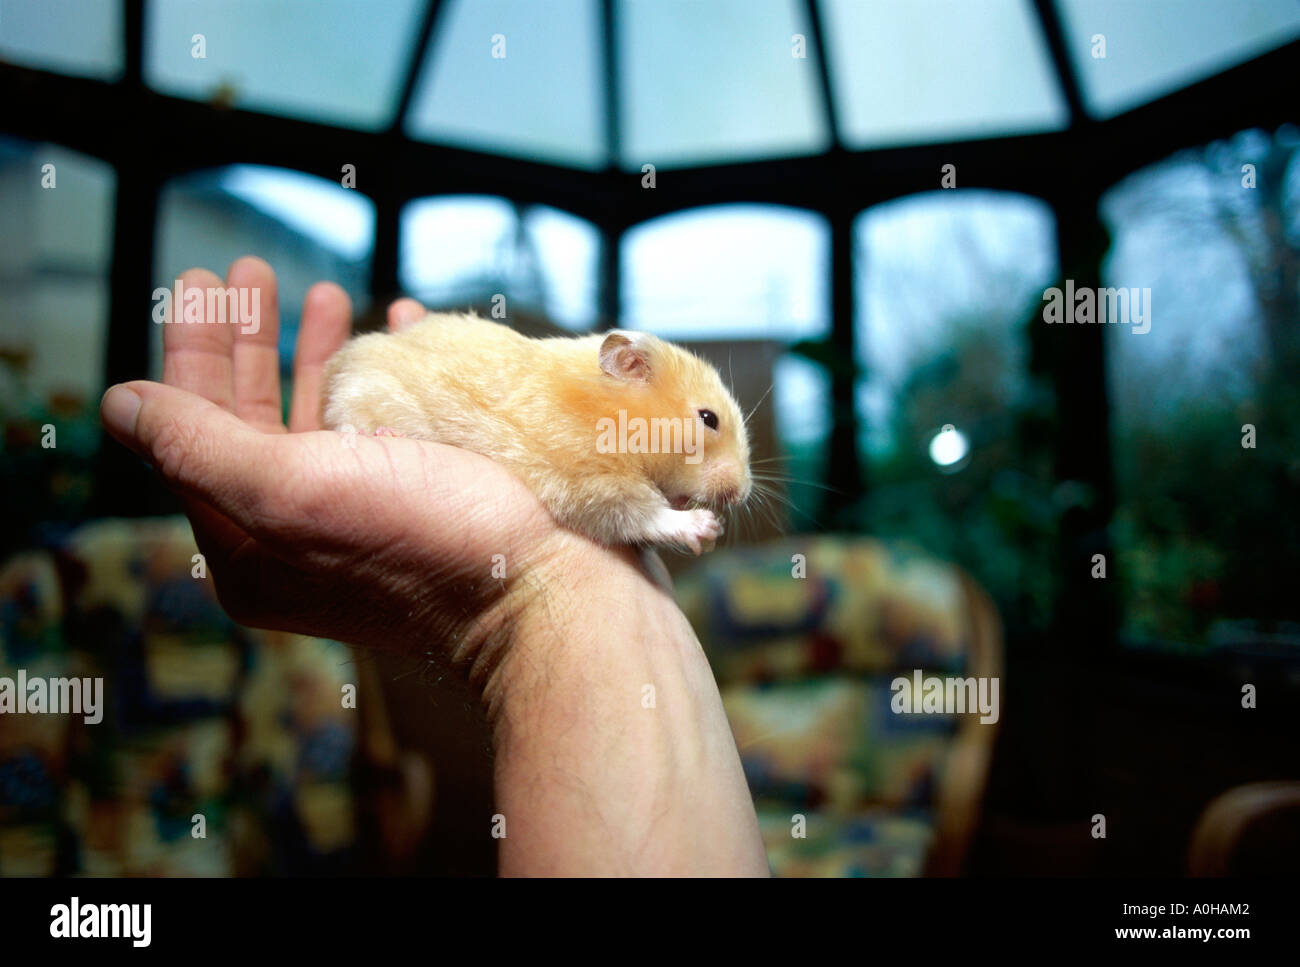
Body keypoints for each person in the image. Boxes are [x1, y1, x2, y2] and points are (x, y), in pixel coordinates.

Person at [99, 257, 769, 877]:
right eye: (709, 424)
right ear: (628, 365)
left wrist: (587, 558)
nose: (733, 480)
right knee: (371, 374)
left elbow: (583, 507)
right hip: (381, 384)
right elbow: (577, 488)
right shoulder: (580, 407)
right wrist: (658, 519)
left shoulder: (607, 422)